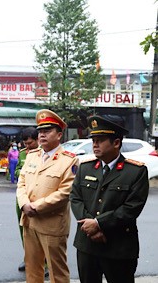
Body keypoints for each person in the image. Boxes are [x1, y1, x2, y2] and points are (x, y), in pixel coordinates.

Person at [70, 115, 149, 283]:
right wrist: (90, 226)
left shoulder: (135, 172)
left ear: (116, 143)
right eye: (93, 140)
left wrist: (98, 224)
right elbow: (75, 198)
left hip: (118, 246)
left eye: (100, 140)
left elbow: (131, 208)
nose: (95, 144)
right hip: (87, 245)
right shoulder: (85, 168)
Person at [16, 109, 78, 283]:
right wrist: (24, 204)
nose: (42, 135)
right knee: (32, 268)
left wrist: (36, 206)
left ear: (59, 135)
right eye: (40, 131)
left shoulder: (69, 160)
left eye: (47, 131)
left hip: (52, 224)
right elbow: (21, 183)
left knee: (56, 271)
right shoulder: (32, 156)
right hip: (29, 221)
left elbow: (65, 192)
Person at [14, 127, 39, 272]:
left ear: (37, 140)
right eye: (25, 144)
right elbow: (17, 170)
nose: (28, 147)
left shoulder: (43, 153)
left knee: (39, 231)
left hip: (37, 197)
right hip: (22, 197)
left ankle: (44, 263)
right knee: (24, 230)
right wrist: (22, 172)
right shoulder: (23, 154)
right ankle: (28, 258)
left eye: (30, 143)